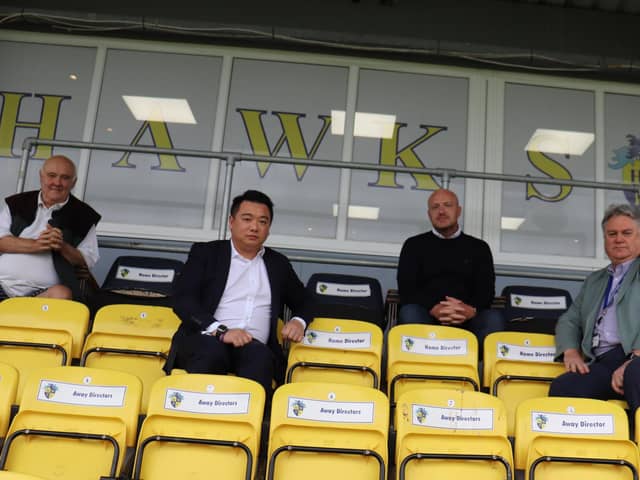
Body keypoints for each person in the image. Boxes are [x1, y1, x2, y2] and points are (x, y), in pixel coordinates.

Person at [164, 190, 308, 398]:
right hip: (207, 338)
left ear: (268, 229)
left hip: (254, 346)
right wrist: (221, 331)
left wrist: (298, 321)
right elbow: (183, 299)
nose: (254, 227)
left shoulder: (278, 264)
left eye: (262, 221)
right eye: (247, 219)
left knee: (260, 358)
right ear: (231, 222)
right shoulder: (207, 253)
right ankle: (198, 423)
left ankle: (248, 427)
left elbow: (306, 301)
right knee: (211, 352)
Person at [550, 203, 640, 416]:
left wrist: (634, 359)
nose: (619, 239)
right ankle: (585, 450)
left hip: (634, 357)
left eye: (627, 233)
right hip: (602, 361)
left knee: (636, 373)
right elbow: (569, 320)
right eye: (612, 234)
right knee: (566, 387)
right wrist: (570, 351)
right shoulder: (595, 280)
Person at [396, 188, 504, 349]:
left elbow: (486, 289)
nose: (441, 211)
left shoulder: (479, 247)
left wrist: (469, 310)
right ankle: (416, 370)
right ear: (429, 214)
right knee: (409, 312)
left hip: (468, 319)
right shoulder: (414, 245)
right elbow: (407, 287)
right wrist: (434, 307)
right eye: (435, 207)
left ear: (458, 211)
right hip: (427, 315)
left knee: (494, 319)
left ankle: (477, 372)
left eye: (447, 205)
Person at [0, 155, 101, 301]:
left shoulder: (84, 215)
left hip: (41, 294)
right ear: (41, 176)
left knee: (62, 294)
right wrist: (37, 245)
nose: (57, 182)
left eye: (65, 177)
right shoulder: (17, 202)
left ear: (74, 182)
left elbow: (87, 260)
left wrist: (62, 246)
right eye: (51, 175)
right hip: (2, 283)